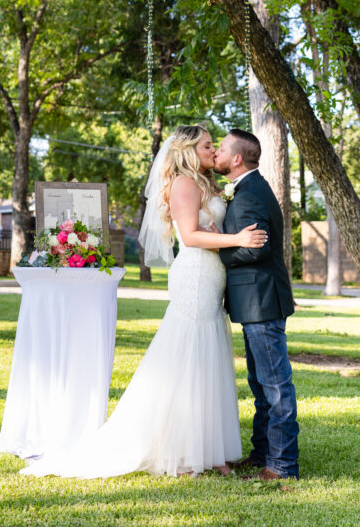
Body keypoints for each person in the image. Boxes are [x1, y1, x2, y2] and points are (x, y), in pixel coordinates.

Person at [20, 124, 267, 479]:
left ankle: (210, 450)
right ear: (187, 151)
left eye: (214, 146)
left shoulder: (208, 184)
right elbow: (191, 236)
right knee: (190, 358)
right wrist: (237, 238)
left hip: (213, 277)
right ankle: (182, 452)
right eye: (208, 146)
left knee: (208, 356)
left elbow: (208, 228)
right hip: (195, 275)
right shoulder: (183, 184)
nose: (214, 152)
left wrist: (223, 234)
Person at [214, 129, 299, 481]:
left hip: (262, 299)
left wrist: (215, 250)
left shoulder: (250, 194)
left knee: (275, 385)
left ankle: (282, 466)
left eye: (220, 148)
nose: (215, 153)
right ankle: (262, 452)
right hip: (255, 301)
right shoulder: (248, 188)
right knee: (260, 384)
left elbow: (256, 247)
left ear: (236, 159)